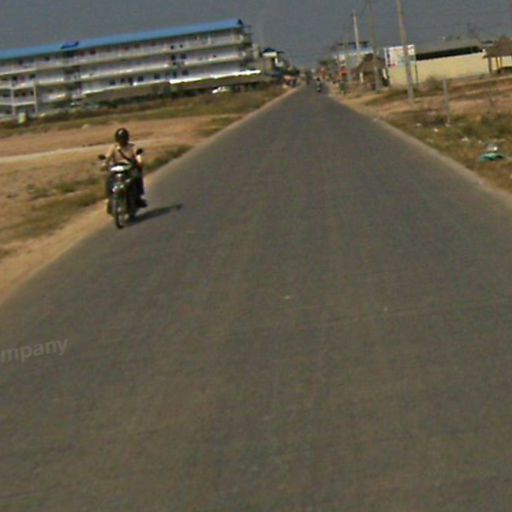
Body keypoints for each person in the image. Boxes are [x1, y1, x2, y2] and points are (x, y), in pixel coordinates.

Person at [104, 127, 147, 208]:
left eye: (123, 138)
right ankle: (108, 197)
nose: (122, 140)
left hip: (129, 167)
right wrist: (104, 164)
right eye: (120, 139)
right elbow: (107, 157)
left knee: (137, 177)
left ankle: (139, 196)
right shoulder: (113, 148)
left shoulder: (132, 147)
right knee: (109, 179)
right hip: (117, 168)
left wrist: (140, 161)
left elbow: (137, 155)